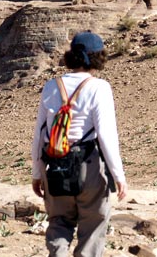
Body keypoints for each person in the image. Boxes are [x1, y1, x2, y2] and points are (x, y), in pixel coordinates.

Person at [32, 32, 127, 257]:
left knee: (58, 222)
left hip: (53, 164)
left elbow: (39, 134)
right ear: (98, 57)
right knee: (94, 224)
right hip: (88, 165)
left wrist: (37, 173)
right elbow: (106, 136)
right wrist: (118, 176)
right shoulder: (99, 88)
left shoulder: (51, 86)